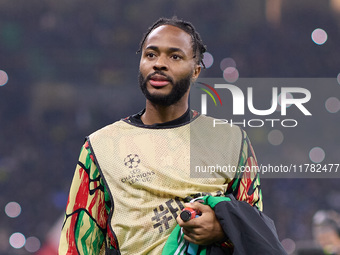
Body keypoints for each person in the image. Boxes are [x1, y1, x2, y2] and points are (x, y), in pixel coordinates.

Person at [59, 17, 284, 255]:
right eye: (151, 55)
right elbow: (77, 244)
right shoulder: (100, 146)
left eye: (174, 56)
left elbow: (254, 232)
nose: (159, 64)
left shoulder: (231, 140)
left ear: (196, 71)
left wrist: (222, 231)